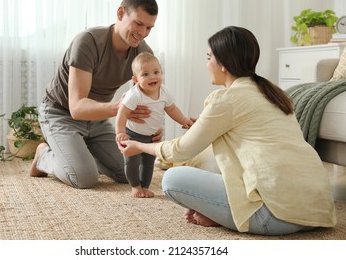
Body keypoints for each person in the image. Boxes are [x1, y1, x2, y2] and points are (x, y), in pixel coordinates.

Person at [119, 26, 337, 235]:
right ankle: (220, 213)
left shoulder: (227, 100)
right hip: (318, 212)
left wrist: (137, 145)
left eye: (208, 58)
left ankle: (226, 216)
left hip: (275, 216)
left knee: (172, 179)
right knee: (216, 160)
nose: (206, 64)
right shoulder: (274, 93)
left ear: (222, 64)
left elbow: (179, 151)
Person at [29, 0, 160, 189]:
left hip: (97, 119)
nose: (142, 33)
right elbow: (77, 107)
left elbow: (144, 100)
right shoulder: (88, 42)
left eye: (149, 27)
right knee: (84, 177)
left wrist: (150, 127)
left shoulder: (143, 54)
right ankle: (43, 156)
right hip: (60, 113)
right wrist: (121, 108)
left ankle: (82, 154)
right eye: (138, 23)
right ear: (120, 13)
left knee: (133, 171)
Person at [116, 52, 194, 198]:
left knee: (148, 162)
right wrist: (120, 132)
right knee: (132, 163)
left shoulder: (164, 91)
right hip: (133, 134)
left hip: (152, 136)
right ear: (135, 79)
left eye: (156, 72)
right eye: (145, 74)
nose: (152, 77)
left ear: (161, 73)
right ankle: (135, 186)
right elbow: (122, 113)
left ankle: (145, 186)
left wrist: (184, 120)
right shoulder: (135, 95)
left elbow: (171, 109)